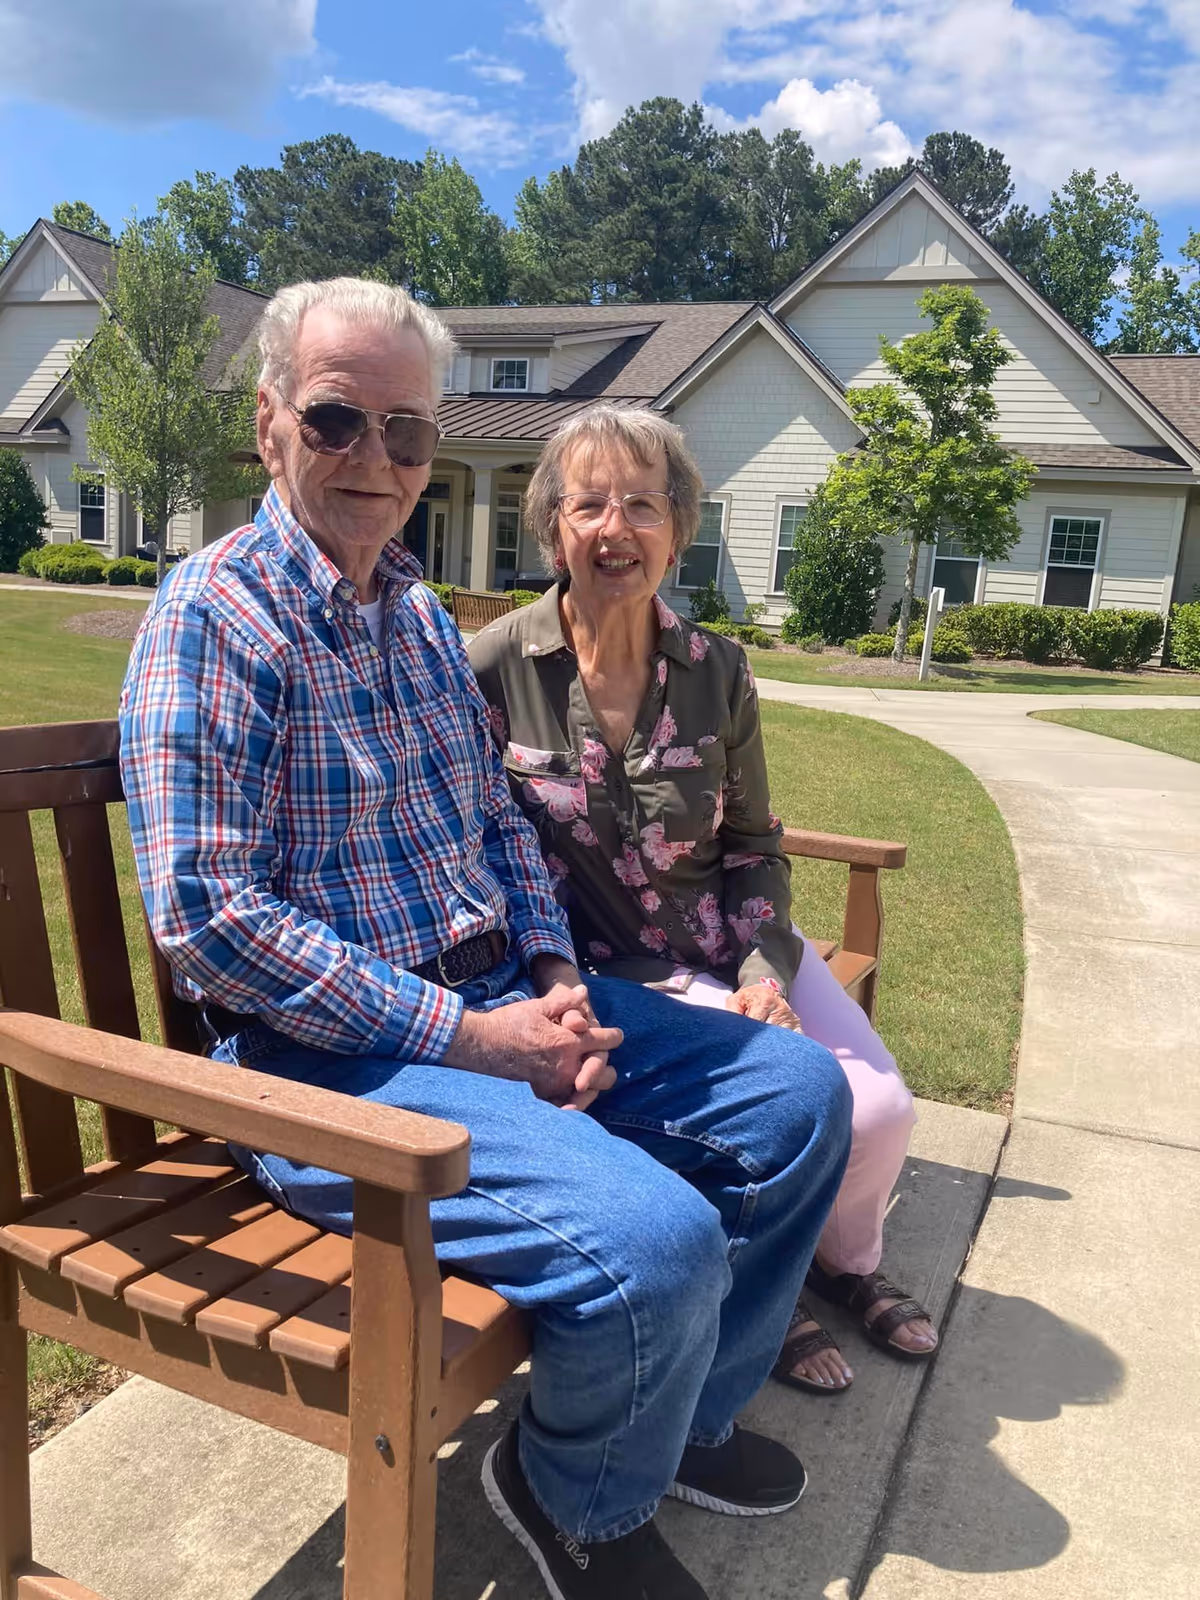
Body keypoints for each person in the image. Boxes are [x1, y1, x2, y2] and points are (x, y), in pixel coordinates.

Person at [118, 279, 853, 1600]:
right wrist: (474, 1036)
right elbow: (210, 926)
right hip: (331, 1071)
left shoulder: (411, 617)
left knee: (799, 1096)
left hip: (502, 1001)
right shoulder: (212, 621)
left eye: (408, 434)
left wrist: (559, 979)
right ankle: (573, 1496)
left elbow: (501, 832)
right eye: (341, 421)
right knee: (665, 1239)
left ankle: (671, 1430)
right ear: (271, 423)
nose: (378, 461)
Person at [468, 404, 938, 1398]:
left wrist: (766, 971)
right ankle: (764, 1297)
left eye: (643, 504)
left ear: (679, 527)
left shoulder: (718, 669)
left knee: (884, 1108)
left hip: (736, 940)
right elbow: (476, 847)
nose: (615, 527)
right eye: (588, 503)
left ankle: (841, 1265)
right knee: (809, 1107)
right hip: (608, 975)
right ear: (552, 524)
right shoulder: (495, 667)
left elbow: (757, 845)